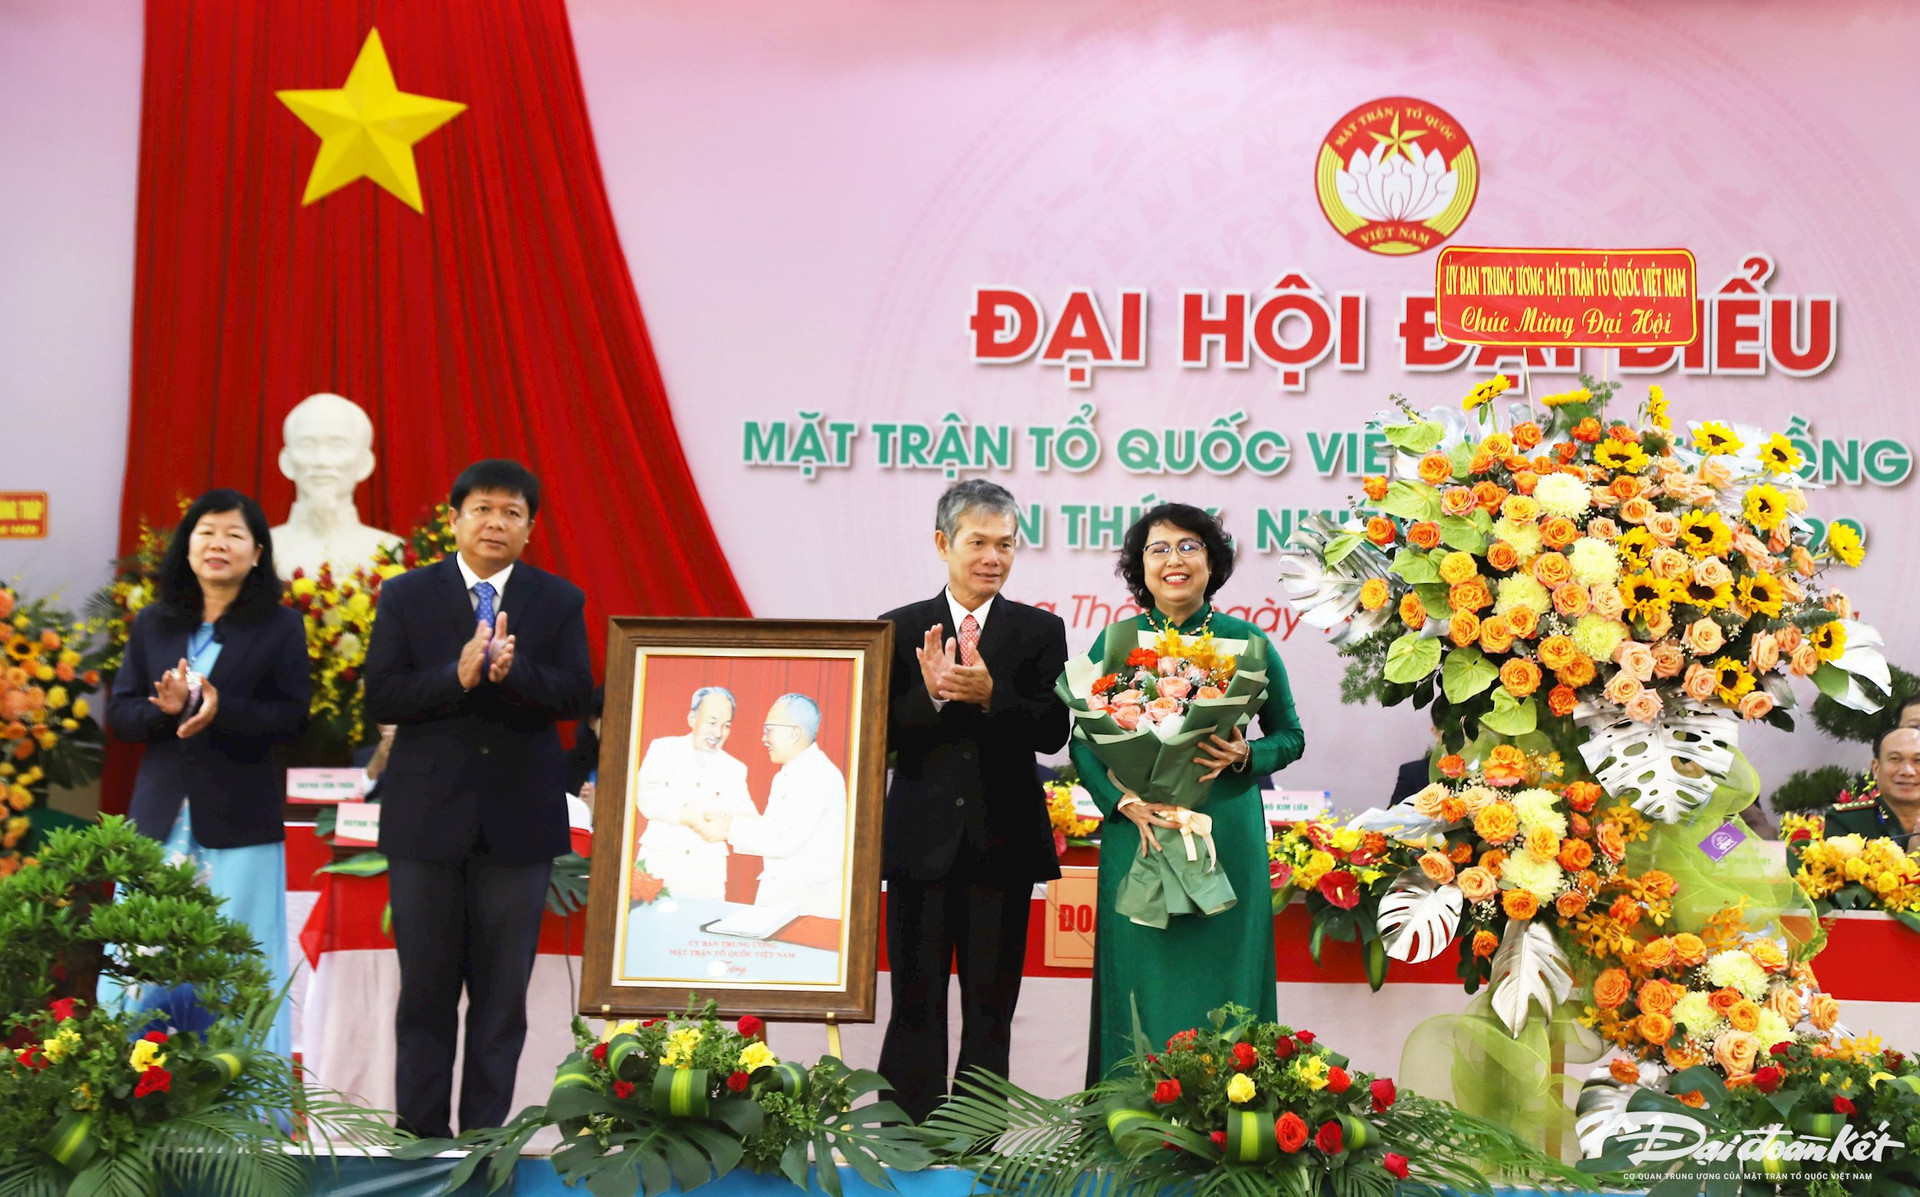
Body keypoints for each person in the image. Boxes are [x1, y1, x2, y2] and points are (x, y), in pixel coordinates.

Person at [363, 459, 592, 1139]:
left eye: (512, 512)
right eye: (484, 508)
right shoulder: (406, 594)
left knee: (500, 1005)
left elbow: (577, 694)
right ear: (455, 516)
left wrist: (512, 670)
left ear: (530, 527)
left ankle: (484, 1146)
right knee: (426, 997)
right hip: (425, 826)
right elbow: (381, 694)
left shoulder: (558, 600)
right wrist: (457, 674)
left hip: (518, 827)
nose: (496, 522)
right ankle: (420, 1143)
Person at [1072, 502, 1304, 1083]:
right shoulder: (1118, 640)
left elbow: (1291, 736)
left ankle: (1234, 1116)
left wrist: (1248, 754)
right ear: (1140, 568)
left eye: (1188, 547)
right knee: (1139, 977)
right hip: (1141, 832)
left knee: (1228, 981)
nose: (1173, 560)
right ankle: (1132, 1118)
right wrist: (1122, 802)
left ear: (1211, 561)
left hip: (1223, 829)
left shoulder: (1247, 642)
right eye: (1158, 549)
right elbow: (1083, 742)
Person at [874, 480, 1069, 1123]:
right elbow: (879, 739)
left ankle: (977, 1139)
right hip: (917, 847)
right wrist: (930, 697)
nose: (993, 557)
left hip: (1002, 845)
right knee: (915, 1000)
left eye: (1005, 544)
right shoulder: (898, 628)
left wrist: (991, 695)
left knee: (991, 1006)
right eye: (978, 542)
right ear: (943, 544)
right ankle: (905, 1133)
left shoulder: (1041, 631)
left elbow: (1053, 730)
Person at [107, 489, 311, 1057]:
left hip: (240, 821)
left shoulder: (280, 627)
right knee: (141, 960)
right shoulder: (153, 624)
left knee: (236, 963)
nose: (218, 544)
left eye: (233, 535)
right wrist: (164, 710)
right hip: (159, 821)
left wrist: (225, 711)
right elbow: (121, 716)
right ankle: (129, 1094)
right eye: (206, 532)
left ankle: (240, 1116)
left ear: (256, 552)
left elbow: (294, 720)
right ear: (187, 546)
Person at [692, 694, 849, 919]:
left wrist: (730, 829)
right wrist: (730, 819)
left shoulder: (819, 775)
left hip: (810, 907)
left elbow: (785, 838)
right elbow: (771, 829)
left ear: (794, 733)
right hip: (783, 902)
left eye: (769, 730)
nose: (764, 738)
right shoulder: (787, 773)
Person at [632, 686, 757, 901]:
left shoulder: (735, 769)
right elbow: (645, 796)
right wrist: (688, 816)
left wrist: (728, 828)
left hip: (706, 881)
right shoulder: (663, 749)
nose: (718, 733)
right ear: (692, 718)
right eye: (711, 722)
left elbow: (750, 819)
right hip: (658, 869)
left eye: (726, 725)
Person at [268, 392, 402, 579]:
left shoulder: (394, 553)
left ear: (364, 464)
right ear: (287, 462)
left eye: (337, 446)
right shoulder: (257, 552)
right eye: (307, 445)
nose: (321, 460)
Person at [1823, 725, 1920, 842]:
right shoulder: (1847, 820)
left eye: (1918, 760)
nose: (1907, 771)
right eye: (1895, 759)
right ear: (1876, 768)